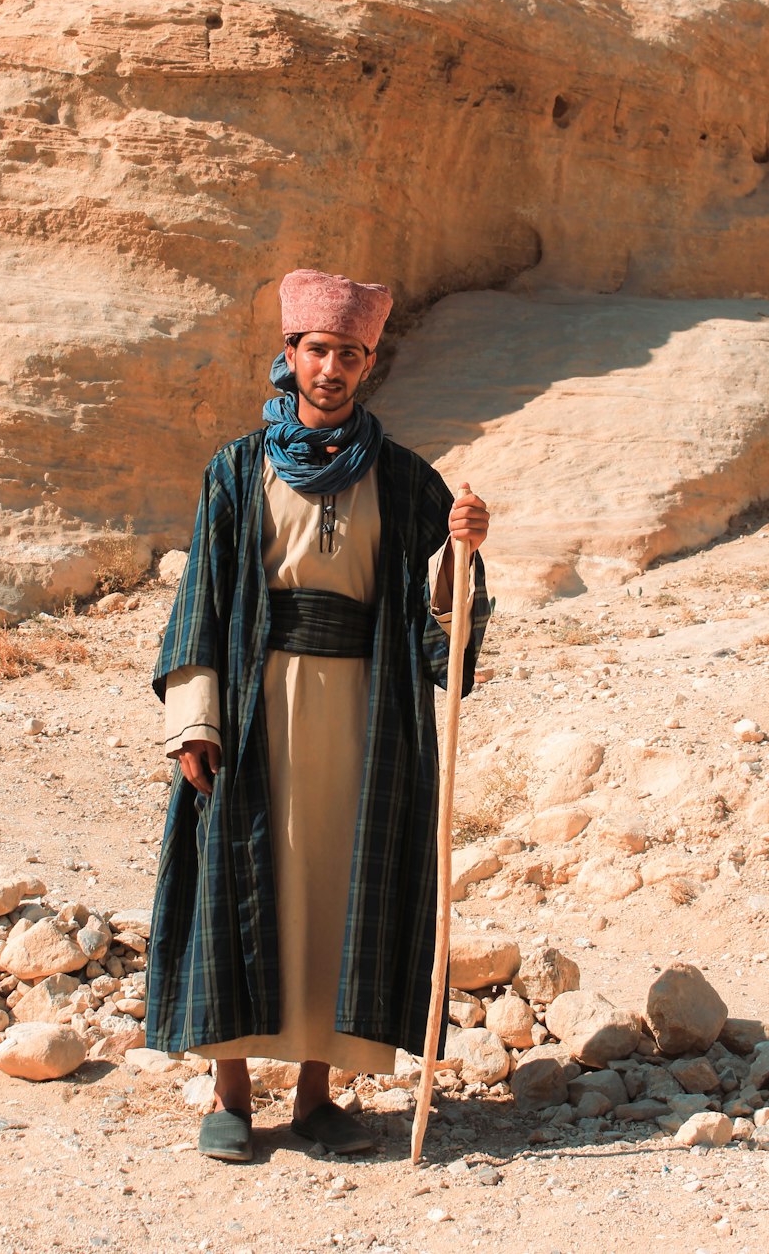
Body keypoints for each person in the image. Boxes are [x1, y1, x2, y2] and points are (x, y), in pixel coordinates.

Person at [146, 268, 491, 1161]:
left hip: (366, 720)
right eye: (317, 350)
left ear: (369, 362)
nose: (331, 367)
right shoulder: (235, 468)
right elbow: (203, 601)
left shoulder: (409, 478)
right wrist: (197, 719)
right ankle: (229, 1095)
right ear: (290, 355)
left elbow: (443, 612)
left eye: (350, 353)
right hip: (256, 709)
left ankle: (314, 1094)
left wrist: (462, 551)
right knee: (239, 875)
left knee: (338, 889)